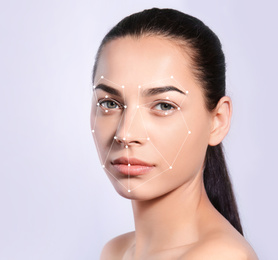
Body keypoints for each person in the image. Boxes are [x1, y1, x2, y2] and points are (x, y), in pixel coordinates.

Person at [90, 8, 258, 259]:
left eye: (164, 106)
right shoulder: (114, 251)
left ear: (218, 121)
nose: (125, 134)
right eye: (110, 103)